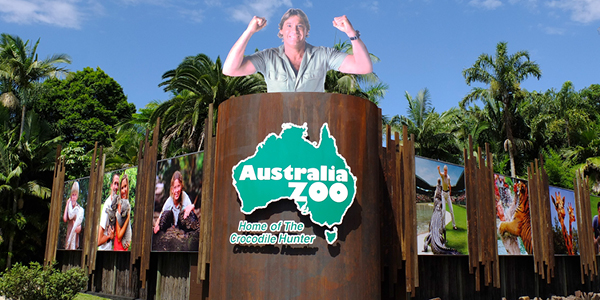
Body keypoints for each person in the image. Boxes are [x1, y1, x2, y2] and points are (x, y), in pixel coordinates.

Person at [222, 8, 373, 92]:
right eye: (288, 25)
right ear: (281, 31)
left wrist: (351, 33)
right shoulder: (267, 57)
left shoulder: (324, 55)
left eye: (300, 25)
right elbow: (230, 69)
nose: (294, 30)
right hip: (277, 133)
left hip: (312, 133)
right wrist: (249, 31)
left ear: (307, 31)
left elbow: (363, 67)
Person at [98, 173, 118, 250]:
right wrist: (110, 236)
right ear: (111, 185)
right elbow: (98, 241)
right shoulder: (107, 205)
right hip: (104, 250)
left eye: (118, 184)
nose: (116, 187)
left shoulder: (117, 203)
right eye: (115, 183)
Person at [63, 181, 84, 250]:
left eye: (75, 195)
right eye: (73, 195)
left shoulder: (78, 208)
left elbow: (79, 228)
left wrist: (77, 226)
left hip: (74, 235)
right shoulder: (69, 207)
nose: (74, 197)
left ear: (77, 196)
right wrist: (67, 204)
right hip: (69, 232)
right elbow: (65, 219)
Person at [114, 174, 132, 251]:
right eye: (122, 188)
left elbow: (127, 227)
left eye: (125, 186)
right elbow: (119, 236)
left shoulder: (127, 203)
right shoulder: (120, 204)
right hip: (119, 246)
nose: (124, 190)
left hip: (125, 246)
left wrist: (129, 239)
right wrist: (128, 218)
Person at [437, 165, 457, 230]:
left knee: (451, 210)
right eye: (444, 170)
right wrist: (439, 169)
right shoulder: (442, 175)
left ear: (447, 171)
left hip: (447, 194)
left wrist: (450, 191)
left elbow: (449, 185)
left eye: (446, 170)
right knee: (443, 211)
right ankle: (443, 226)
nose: (445, 171)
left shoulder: (448, 177)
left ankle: (454, 225)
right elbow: (440, 173)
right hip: (443, 194)